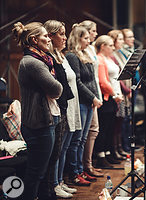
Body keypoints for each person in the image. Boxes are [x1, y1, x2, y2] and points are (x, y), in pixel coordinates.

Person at [12, 22, 62, 200]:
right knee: (36, 173)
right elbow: (57, 89)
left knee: (45, 170)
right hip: (38, 123)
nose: (49, 39)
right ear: (34, 39)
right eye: (45, 36)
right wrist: (57, 85)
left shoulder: (42, 59)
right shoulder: (32, 63)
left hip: (49, 118)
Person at [44, 20, 79, 198]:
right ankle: (55, 183)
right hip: (58, 107)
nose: (65, 38)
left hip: (67, 105)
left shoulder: (60, 55)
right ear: (50, 36)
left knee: (63, 148)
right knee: (57, 150)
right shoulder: (49, 57)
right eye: (61, 34)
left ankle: (59, 181)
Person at [66, 24, 102, 185]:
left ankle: (81, 170)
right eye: (86, 38)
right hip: (81, 102)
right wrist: (92, 97)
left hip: (89, 102)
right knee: (77, 140)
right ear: (78, 39)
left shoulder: (84, 53)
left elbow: (92, 80)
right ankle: (74, 173)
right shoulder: (72, 56)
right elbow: (78, 82)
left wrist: (95, 98)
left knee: (83, 139)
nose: (89, 41)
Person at [79, 20, 104, 177]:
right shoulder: (81, 51)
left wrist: (98, 95)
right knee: (86, 132)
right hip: (87, 96)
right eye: (93, 31)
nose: (95, 34)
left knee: (94, 130)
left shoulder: (91, 49)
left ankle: (88, 164)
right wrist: (93, 96)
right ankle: (84, 166)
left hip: (95, 92)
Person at [94, 35, 123, 168]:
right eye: (110, 45)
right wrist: (113, 94)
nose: (113, 47)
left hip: (113, 96)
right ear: (103, 46)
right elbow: (103, 82)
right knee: (104, 128)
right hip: (107, 97)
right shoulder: (100, 59)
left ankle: (108, 153)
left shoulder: (109, 58)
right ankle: (101, 156)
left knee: (110, 127)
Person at [108, 29, 130, 159]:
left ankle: (120, 147)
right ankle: (115, 149)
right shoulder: (112, 56)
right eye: (120, 39)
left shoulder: (120, 54)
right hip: (117, 92)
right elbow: (118, 77)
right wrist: (126, 90)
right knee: (116, 123)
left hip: (122, 91)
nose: (122, 42)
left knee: (121, 121)